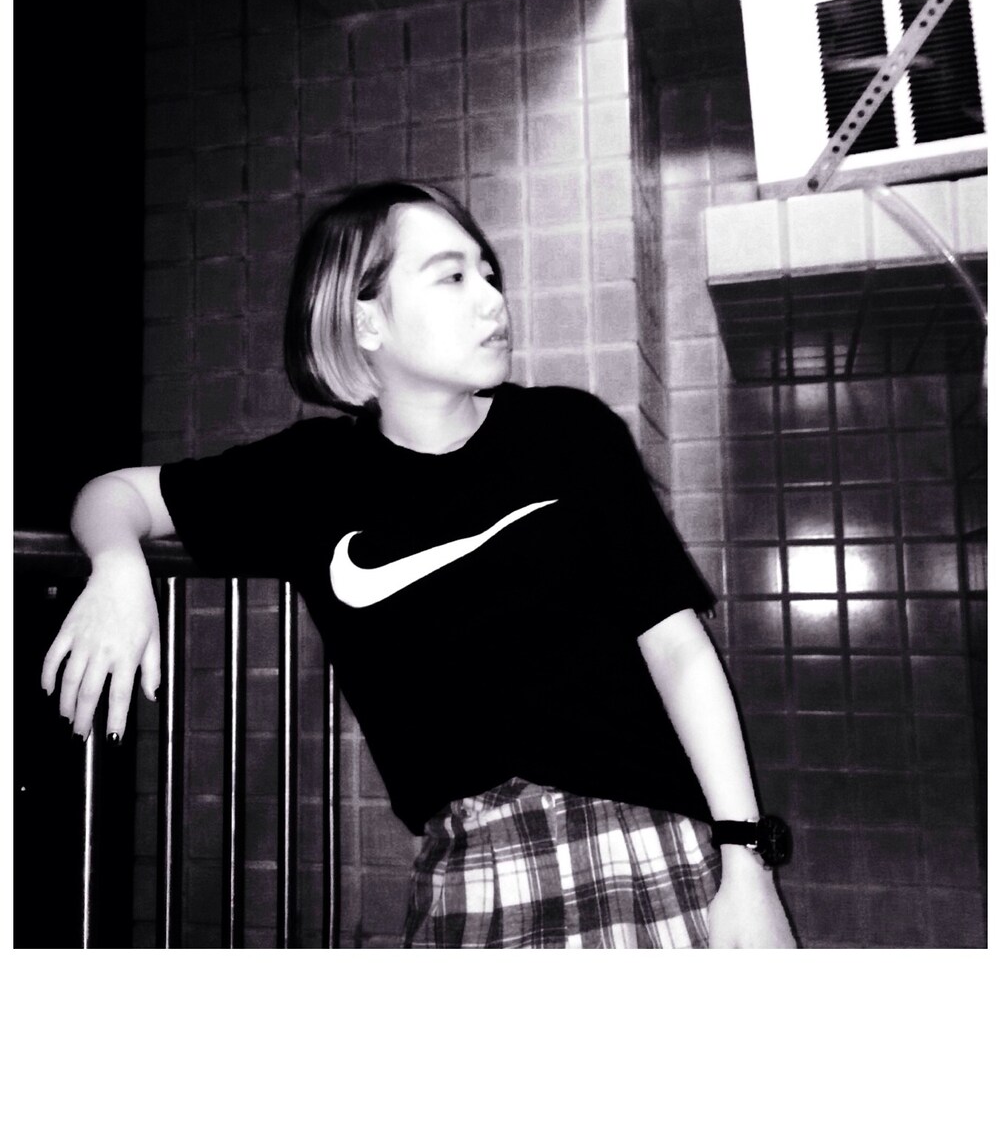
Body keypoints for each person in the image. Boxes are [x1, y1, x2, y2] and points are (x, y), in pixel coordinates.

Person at [42, 180, 796, 949]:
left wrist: (747, 863)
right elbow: (114, 494)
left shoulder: (569, 431)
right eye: (452, 276)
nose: (493, 300)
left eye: (490, 274)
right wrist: (118, 569)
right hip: (469, 872)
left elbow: (676, 646)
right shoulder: (312, 476)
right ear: (366, 319)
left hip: (647, 840)